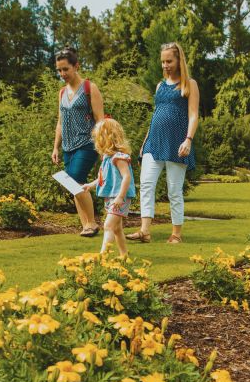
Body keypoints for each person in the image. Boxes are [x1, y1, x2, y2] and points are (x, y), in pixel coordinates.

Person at [128, 41, 199, 244]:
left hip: (178, 143)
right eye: (162, 62)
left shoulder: (189, 84)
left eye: (169, 61)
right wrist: (145, 141)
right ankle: (145, 231)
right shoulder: (160, 86)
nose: (165, 65)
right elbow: (156, 114)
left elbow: (194, 115)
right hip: (154, 142)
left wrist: (188, 140)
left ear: (178, 60)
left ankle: (176, 233)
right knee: (147, 185)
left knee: (174, 190)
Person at [52, 47, 105, 237]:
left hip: (87, 143)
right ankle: (86, 226)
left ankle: (92, 222)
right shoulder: (61, 93)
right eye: (59, 70)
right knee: (73, 184)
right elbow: (60, 122)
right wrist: (55, 147)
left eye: (65, 69)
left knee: (74, 179)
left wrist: (103, 146)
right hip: (68, 146)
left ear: (76, 66)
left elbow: (100, 119)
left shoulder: (90, 88)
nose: (62, 74)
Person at [83, 117, 136, 258]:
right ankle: (124, 256)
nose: (96, 141)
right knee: (117, 229)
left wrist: (120, 197)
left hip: (119, 197)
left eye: (98, 137)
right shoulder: (107, 158)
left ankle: (102, 257)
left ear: (107, 138)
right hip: (112, 196)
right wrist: (91, 185)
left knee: (108, 226)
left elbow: (127, 177)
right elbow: (103, 177)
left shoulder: (119, 157)